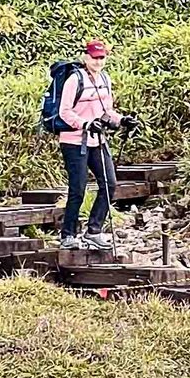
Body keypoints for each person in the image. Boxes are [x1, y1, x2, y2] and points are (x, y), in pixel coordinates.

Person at [55, 38, 123, 249]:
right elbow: (64, 111)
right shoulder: (75, 80)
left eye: (102, 57)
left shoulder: (104, 78)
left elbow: (107, 110)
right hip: (74, 141)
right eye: (94, 57)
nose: (98, 61)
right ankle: (68, 235)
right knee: (78, 189)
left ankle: (94, 230)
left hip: (98, 140)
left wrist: (121, 120)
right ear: (86, 57)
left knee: (110, 183)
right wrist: (85, 124)